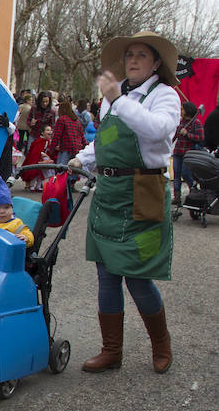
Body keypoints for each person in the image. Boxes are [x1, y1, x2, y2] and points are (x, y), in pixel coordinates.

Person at [70, 31, 180, 375]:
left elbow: (156, 130)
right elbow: (108, 138)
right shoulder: (114, 97)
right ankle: (111, 350)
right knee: (106, 275)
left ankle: (161, 345)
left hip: (144, 190)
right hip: (110, 192)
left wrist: (118, 99)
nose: (132, 60)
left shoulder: (165, 96)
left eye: (142, 55)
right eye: (129, 54)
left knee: (137, 276)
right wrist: (82, 158)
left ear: (157, 63)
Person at [171, 101, 204, 203]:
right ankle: (177, 197)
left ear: (187, 111)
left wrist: (187, 134)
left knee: (185, 173)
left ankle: (194, 191)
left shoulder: (196, 123)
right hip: (178, 152)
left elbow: (200, 137)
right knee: (176, 175)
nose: (180, 111)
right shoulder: (180, 122)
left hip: (188, 154)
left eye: (182, 109)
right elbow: (174, 136)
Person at [46, 98, 87, 166]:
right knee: (72, 170)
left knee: (61, 169)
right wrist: (85, 147)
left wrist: (51, 149)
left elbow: (56, 136)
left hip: (66, 148)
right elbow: (82, 135)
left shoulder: (62, 119)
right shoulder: (76, 121)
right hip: (77, 149)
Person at [21, 124, 54, 191]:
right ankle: (31, 185)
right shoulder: (39, 141)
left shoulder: (47, 141)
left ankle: (38, 186)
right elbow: (35, 153)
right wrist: (41, 156)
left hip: (43, 160)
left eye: (50, 130)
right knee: (35, 174)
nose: (50, 132)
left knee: (41, 175)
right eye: (47, 130)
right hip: (38, 160)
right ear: (42, 132)